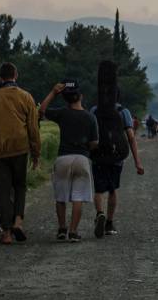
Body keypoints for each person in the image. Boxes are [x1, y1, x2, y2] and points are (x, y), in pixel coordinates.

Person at [0, 62, 40, 246]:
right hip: (21, 149)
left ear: (0, 77)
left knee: (3, 191)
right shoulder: (26, 97)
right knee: (20, 186)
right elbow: (33, 128)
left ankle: (6, 233)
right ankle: (18, 223)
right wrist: (36, 152)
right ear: (16, 75)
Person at [89, 62, 145, 239]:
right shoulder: (123, 111)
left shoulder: (94, 110)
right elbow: (130, 137)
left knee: (98, 189)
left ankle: (99, 213)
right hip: (116, 157)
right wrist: (137, 162)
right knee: (113, 190)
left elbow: (91, 135)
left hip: (98, 156)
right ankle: (110, 222)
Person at [39, 80, 99, 242]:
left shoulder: (62, 113)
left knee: (61, 197)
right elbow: (95, 143)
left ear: (65, 99)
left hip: (63, 158)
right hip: (82, 158)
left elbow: (41, 111)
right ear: (80, 96)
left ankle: (61, 229)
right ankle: (73, 231)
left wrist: (53, 92)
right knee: (77, 197)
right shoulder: (90, 117)